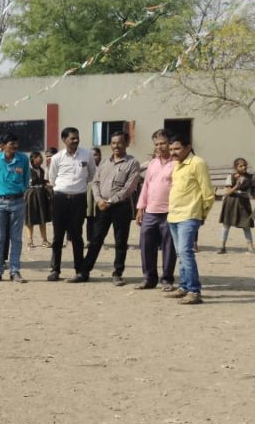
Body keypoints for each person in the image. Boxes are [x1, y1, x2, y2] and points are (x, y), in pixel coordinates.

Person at [71, 131, 141, 285]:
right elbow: (95, 182)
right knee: (95, 239)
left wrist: (110, 201)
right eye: (113, 143)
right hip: (102, 207)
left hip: (120, 207)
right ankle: (84, 272)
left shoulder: (132, 163)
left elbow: (129, 187)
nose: (116, 146)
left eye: (120, 142)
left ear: (127, 143)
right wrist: (98, 200)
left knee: (120, 241)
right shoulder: (104, 163)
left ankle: (117, 273)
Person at [165, 134, 214, 305]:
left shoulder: (197, 163)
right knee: (180, 253)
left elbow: (208, 193)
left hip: (190, 215)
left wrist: (202, 215)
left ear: (188, 147)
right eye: (171, 149)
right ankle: (184, 286)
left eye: (177, 148)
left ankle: (194, 291)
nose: (173, 152)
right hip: (174, 215)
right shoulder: (176, 164)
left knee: (186, 252)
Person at [47, 127, 95, 282]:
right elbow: (52, 178)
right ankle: (55, 270)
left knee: (76, 236)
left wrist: (77, 187)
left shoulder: (87, 154)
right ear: (64, 140)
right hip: (60, 200)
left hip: (79, 200)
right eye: (72, 138)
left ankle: (79, 270)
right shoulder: (57, 158)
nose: (75, 140)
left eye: (77, 137)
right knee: (57, 237)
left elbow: (92, 175)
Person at [134, 129, 177, 291]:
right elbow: (146, 186)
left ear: (170, 143)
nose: (159, 147)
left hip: (169, 212)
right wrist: (140, 208)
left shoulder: (177, 163)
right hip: (150, 212)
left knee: (169, 247)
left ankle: (167, 279)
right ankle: (149, 278)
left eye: (163, 143)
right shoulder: (152, 163)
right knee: (146, 245)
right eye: (157, 144)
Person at [0, 133, 30, 283]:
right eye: (12, 144)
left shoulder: (23, 159)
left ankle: (14, 271)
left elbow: (26, 179)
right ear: (3, 146)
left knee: (16, 239)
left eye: (16, 143)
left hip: (18, 202)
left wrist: (21, 190)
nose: (15, 146)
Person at [217, 157, 254, 254]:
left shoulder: (251, 177)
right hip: (231, 202)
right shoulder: (231, 177)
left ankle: (250, 247)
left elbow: (252, 193)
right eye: (241, 166)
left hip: (244, 203)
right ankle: (222, 246)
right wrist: (236, 186)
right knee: (226, 224)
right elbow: (228, 192)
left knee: (246, 225)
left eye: (245, 165)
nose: (244, 167)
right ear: (236, 167)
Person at [24, 151, 52, 248]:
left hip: (41, 195)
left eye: (40, 157)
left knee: (42, 218)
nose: (40, 159)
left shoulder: (42, 170)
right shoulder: (27, 170)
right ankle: (30, 241)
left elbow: (44, 182)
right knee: (30, 218)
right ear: (32, 159)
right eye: (38, 157)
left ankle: (44, 240)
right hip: (30, 196)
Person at [85, 146, 103, 243]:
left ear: (100, 155)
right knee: (90, 217)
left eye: (95, 155)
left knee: (100, 218)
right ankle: (89, 240)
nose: (93, 157)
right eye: (91, 155)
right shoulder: (86, 167)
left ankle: (98, 239)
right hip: (89, 193)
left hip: (100, 193)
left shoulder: (104, 166)